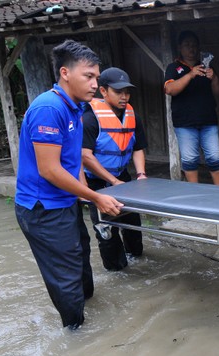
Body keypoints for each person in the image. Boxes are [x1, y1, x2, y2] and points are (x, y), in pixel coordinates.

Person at [14, 40, 123, 330]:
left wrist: (86, 194)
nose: (94, 83)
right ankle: (76, 337)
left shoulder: (74, 107)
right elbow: (49, 169)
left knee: (80, 257)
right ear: (65, 73)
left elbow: (73, 160)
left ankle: (84, 316)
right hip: (43, 209)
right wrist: (95, 197)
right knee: (66, 274)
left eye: (97, 77)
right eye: (89, 76)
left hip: (64, 201)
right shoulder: (49, 108)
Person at [82, 67, 148, 271]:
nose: (124, 96)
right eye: (118, 92)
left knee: (134, 229)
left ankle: (134, 255)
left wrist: (141, 174)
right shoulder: (90, 118)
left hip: (123, 178)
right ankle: (116, 268)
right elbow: (85, 155)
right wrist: (112, 181)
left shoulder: (131, 115)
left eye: (127, 92)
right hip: (97, 183)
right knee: (106, 231)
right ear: (103, 91)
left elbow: (137, 148)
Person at [164, 30, 219, 185]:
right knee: (190, 160)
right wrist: (190, 75)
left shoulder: (206, 66)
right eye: (187, 45)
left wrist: (214, 77)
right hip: (184, 122)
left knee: (214, 158)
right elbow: (169, 90)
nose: (192, 49)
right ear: (180, 48)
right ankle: (193, 193)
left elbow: (218, 92)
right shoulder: (173, 67)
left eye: (194, 45)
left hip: (208, 120)